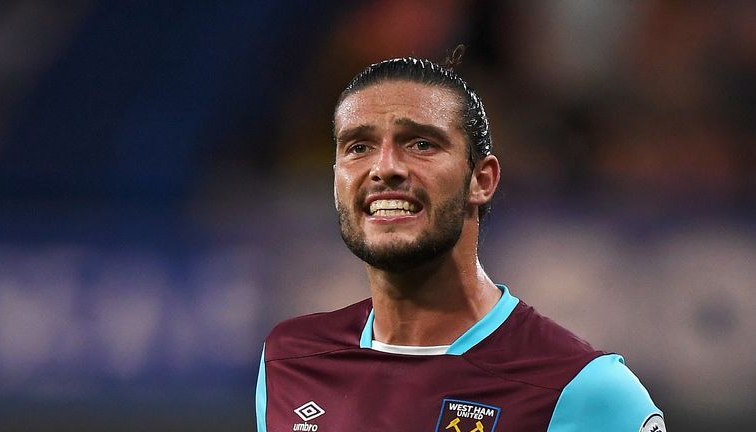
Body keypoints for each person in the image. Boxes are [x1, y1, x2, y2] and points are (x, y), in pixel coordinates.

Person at [256, 50, 665, 432]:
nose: (385, 168)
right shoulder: (288, 360)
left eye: (421, 144)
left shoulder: (588, 391)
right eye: (358, 147)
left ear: (481, 180)